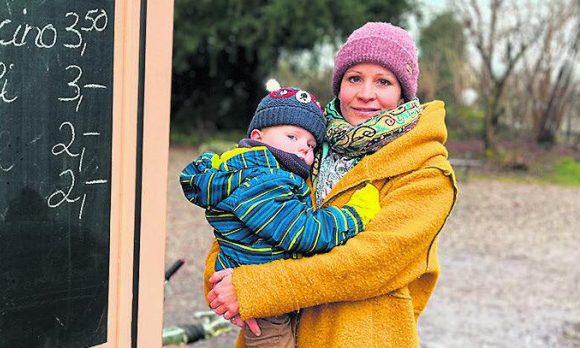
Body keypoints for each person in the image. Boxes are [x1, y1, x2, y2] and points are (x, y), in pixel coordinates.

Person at [204, 22, 458, 347]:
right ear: (339, 84)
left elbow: (372, 263)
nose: (366, 93)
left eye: (383, 81)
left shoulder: (427, 171)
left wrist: (258, 288)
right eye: (355, 78)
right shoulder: (303, 142)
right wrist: (221, 286)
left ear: (403, 92)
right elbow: (236, 215)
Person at [179, 84, 381, 347]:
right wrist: (356, 214)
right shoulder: (265, 181)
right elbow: (304, 232)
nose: (304, 148)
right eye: (292, 137)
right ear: (258, 137)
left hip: (259, 287)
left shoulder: (245, 172)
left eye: (311, 144)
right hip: (265, 304)